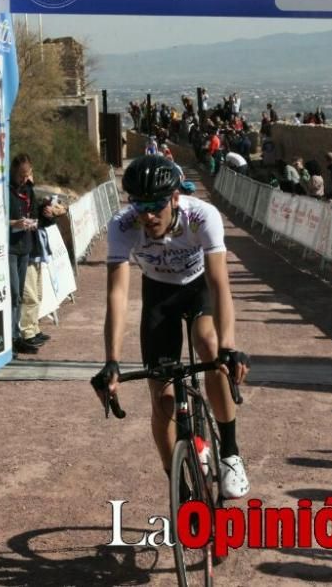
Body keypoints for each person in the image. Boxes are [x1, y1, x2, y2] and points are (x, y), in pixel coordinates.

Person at [92, 156, 251, 499]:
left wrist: (229, 346)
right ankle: (179, 486)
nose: (147, 215)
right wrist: (112, 360)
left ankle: (230, 453)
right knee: (160, 395)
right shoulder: (122, 225)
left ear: (175, 198)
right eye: (139, 205)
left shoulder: (201, 216)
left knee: (210, 347)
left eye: (155, 205)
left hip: (197, 288)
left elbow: (220, 283)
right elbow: (117, 294)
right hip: (158, 294)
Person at [8, 154, 49, 354]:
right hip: (9, 249)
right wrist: (13, 223)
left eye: (28, 175)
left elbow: (34, 215)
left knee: (19, 296)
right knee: (15, 292)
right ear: (14, 172)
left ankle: (16, 336)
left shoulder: (28, 190)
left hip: (25, 247)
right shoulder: (5, 190)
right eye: (21, 176)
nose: (25, 179)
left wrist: (33, 222)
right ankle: (13, 336)